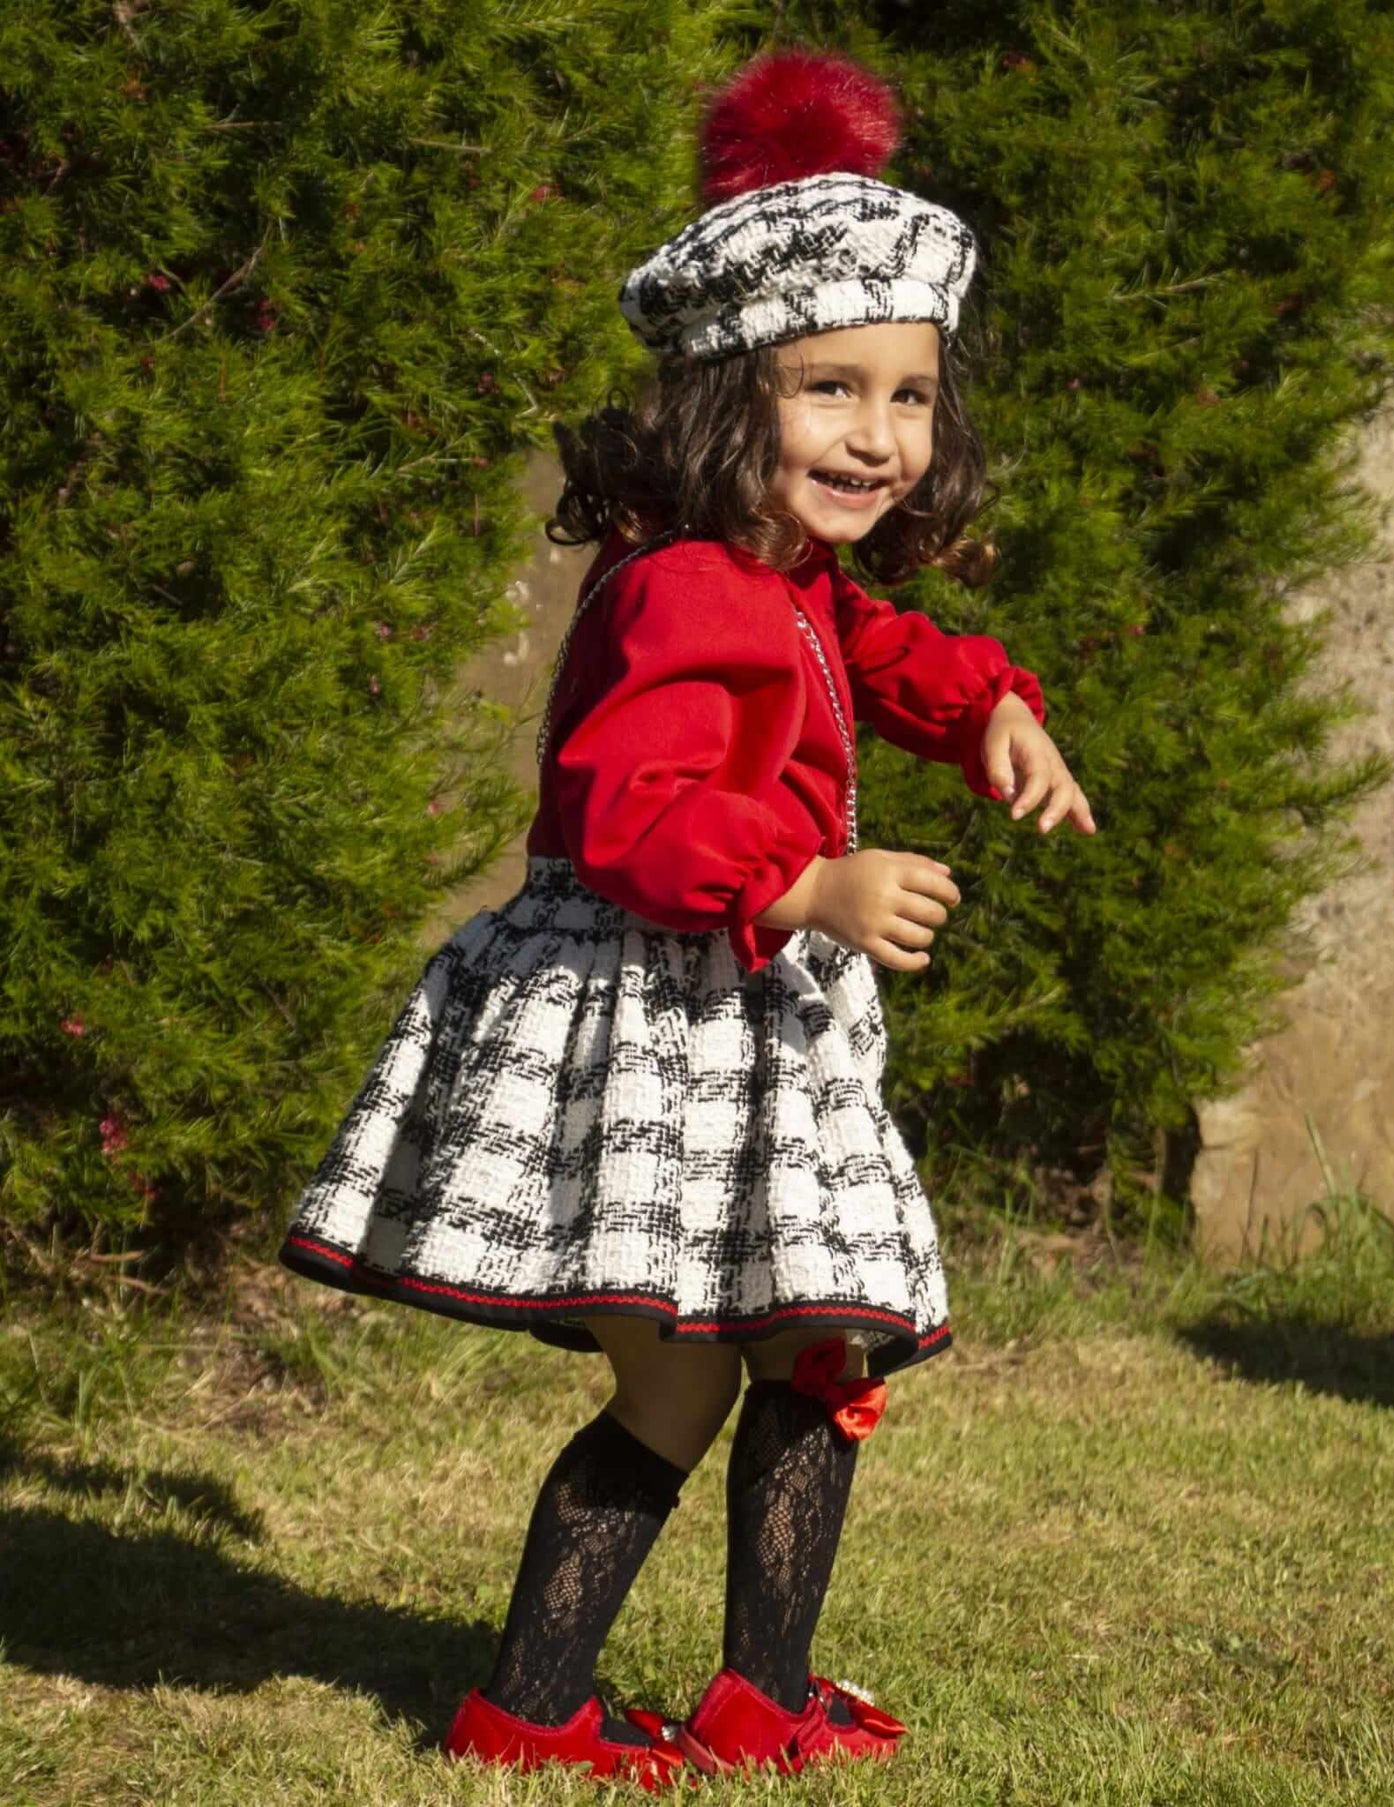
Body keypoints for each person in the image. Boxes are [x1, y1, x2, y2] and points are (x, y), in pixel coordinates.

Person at [280, 46, 1095, 1790]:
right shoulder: (678, 586)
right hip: (658, 1016)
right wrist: (806, 879)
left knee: (824, 1347)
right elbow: (630, 809)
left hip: (751, 1022)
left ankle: (759, 1685)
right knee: (680, 1388)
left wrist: (992, 707)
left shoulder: (787, 579)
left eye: (908, 396)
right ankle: (528, 1696)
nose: (879, 437)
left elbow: (888, 651)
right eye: (829, 392)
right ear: (726, 397)